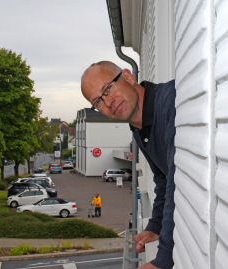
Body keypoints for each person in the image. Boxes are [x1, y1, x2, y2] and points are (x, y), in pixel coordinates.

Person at [81, 61, 176, 269]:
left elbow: (178, 181)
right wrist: (155, 226)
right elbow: (163, 179)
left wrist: (164, 258)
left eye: (107, 88)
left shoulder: (171, 101)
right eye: (97, 101)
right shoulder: (138, 128)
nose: (107, 102)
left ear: (127, 76)